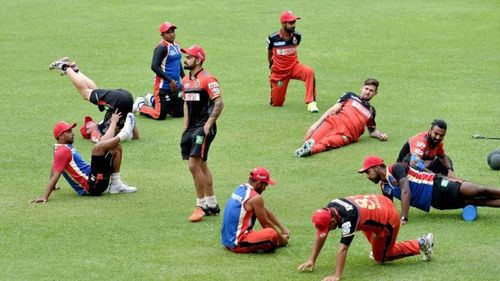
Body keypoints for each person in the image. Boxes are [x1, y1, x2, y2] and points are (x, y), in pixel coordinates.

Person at [298, 194, 434, 281]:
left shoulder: (349, 218)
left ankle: (422, 242)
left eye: (328, 228)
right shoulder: (331, 207)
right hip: (379, 203)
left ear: (333, 221)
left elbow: (343, 248)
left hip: (388, 220)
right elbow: (321, 236)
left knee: (380, 257)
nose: (326, 231)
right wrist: (312, 259)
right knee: (365, 227)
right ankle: (380, 246)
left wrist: (336, 275)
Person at [31, 111, 137, 203]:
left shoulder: (60, 148)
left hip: (94, 178)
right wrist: (44, 196)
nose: (73, 134)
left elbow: (55, 166)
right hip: (91, 186)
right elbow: (56, 173)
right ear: (61, 136)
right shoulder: (62, 151)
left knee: (115, 148)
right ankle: (124, 134)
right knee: (97, 149)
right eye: (68, 132)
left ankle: (116, 184)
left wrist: (54, 186)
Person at [358, 155, 500, 224]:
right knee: (478, 201)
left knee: (480, 190)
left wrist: (404, 217)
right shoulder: (385, 186)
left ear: (377, 167)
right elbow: (389, 207)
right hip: (435, 202)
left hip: (437, 184)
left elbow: (405, 190)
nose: (367, 176)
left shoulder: (396, 168)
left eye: (368, 172)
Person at [179, 45, 224, 222]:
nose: (186, 60)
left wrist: (208, 125)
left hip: (204, 127)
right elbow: (185, 103)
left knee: (193, 165)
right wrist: (185, 127)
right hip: (191, 128)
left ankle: (200, 206)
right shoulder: (185, 81)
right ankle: (211, 204)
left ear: (198, 60)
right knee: (202, 164)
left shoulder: (208, 79)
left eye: (189, 57)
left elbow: (219, 103)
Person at [295, 78, 388, 157]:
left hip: (346, 135)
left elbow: (372, 131)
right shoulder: (350, 95)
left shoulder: (371, 111)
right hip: (332, 124)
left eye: (371, 91)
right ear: (362, 88)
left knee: (326, 142)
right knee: (311, 139)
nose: (367, 92)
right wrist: (315, 124)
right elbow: (333, 110)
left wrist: (380, 135)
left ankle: (309, 151)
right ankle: (307, 146)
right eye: (366, 88)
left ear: (375, 93)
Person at [49, 57, 138, 137]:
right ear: (88, 131)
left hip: (123, 100)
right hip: (122, 100)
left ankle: (75, 71)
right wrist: (119, 122)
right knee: (85, 93)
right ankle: (65, 66)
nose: (92, 122)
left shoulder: (102, 125)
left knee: (94, 91)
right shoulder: (95, 134)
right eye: (88, 124)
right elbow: (105, 140)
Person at [221, 167, 290, 253]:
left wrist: (282, 227)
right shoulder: (256, 198)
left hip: (227, 241)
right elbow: (266, 224)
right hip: (238, 244)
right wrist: (282, 240)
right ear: (259, 183)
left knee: (267, 232)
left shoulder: (241, 188)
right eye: (265, 185)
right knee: (271, 234)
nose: (264, 189)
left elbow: (263, 208)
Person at [267, 10, 318, 113]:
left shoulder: (297, 37)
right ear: (283, 23)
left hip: (294, 67)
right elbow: (269, 53)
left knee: (309, 72)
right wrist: (272, 65)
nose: (293, 25)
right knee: (277, 103)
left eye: (294, 22)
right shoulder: (273, 38)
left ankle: (311, 102)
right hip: (280, 73)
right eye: (290, 23)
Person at [133, 21, 185, 119]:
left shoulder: (176, 45)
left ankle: (152, 99)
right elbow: (154, 66)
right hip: (163, 87)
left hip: (176, 86)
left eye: (173, 31)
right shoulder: (161, 48)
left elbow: (178, 62)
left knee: (179, 113)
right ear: (162, 35)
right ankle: (140, 104)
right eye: (168, 32)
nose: (172, 34)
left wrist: (184, 78)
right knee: (159, 115)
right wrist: (170, 80)